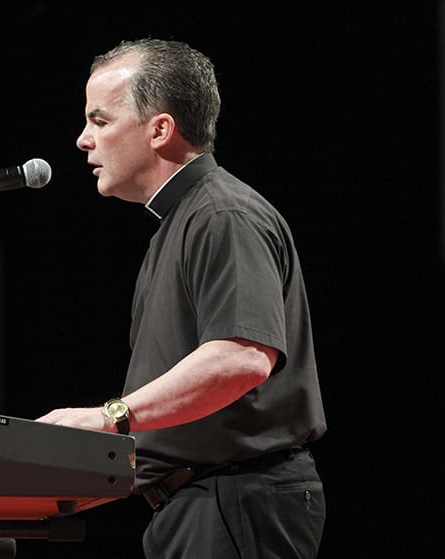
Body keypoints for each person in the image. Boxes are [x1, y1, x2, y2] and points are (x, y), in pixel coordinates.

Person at [36, 38, 327, 558]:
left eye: (100, 121)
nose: (83, 140)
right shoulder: (182, 221)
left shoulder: (222, 215)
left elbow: (240, 358)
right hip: (200, 503)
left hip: (233, 500)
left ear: (160, 130)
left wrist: (109, 416)